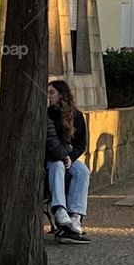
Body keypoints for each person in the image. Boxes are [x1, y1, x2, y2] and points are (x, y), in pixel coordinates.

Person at [46, 79, 90, 238]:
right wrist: (62, 156)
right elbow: (49, 143)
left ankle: (75, 215)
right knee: (57, 166)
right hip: (51, 158)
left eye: (52, 93)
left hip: (68, 157)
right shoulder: (48, 114)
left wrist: (70, 158)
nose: (49, 96)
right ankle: (59, 209)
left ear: (62, 95)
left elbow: (81, 144)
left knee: (82, 171)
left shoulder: (77, 116)